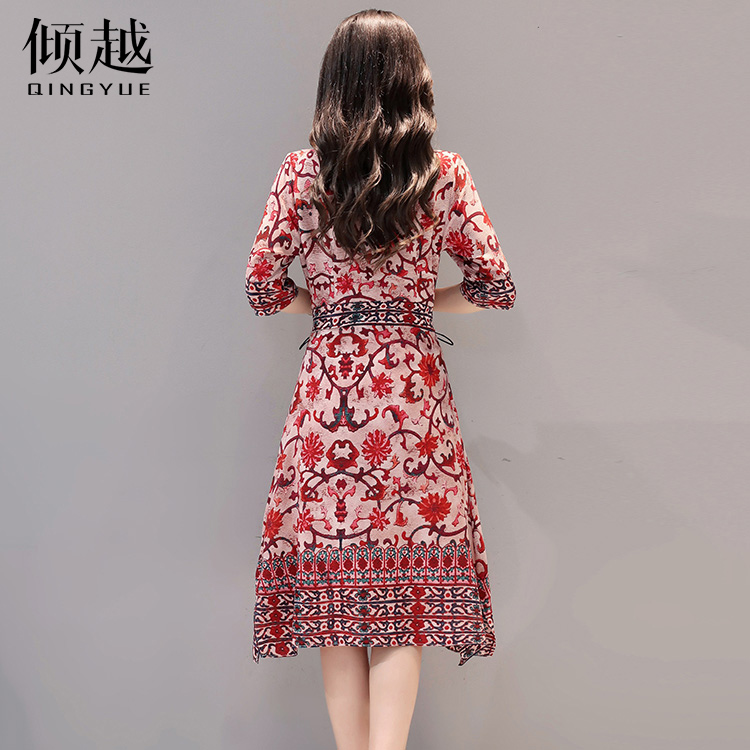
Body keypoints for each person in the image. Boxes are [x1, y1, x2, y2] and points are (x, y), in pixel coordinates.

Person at [244, 9, 516, 750]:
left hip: (329, 393)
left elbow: (263, 287)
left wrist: (334, 309)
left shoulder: (303, 173)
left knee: (335, 598)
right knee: (406, 595)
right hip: (412, 398)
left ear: (335, 80)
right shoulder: (445, 174)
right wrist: (411, 306)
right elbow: (494, 286)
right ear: (413, 80)